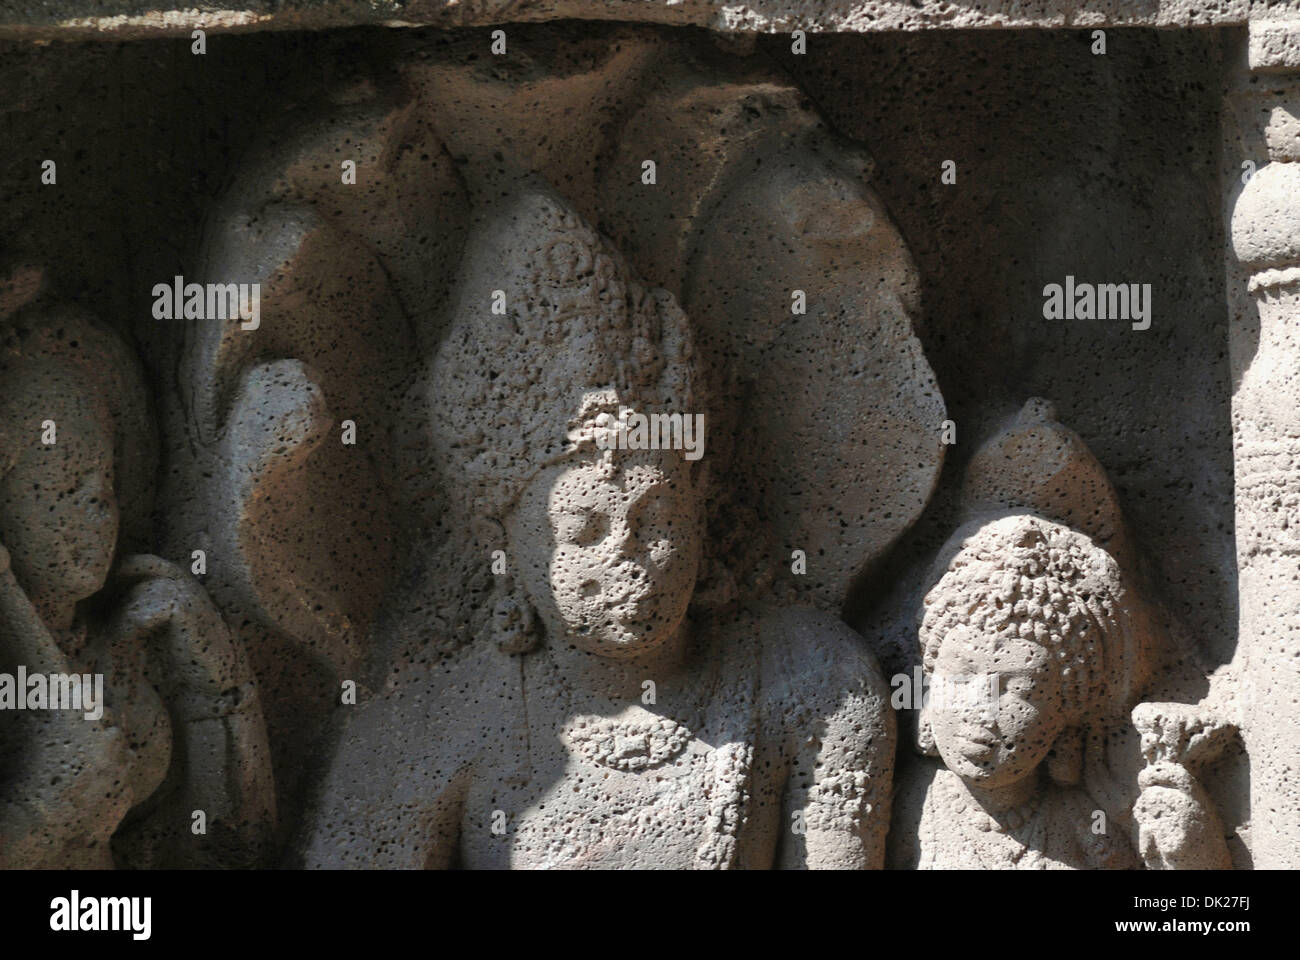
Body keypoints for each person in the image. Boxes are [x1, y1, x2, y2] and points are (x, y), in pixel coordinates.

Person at [303, 189, 896, 869]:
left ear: (701, 515)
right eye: (582, 529)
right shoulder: (423, 735)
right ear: (505, 547)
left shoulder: (814, 684)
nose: (629, 559)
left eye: (659, 520)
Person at [0, 306, 274, 867]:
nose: (95, 508)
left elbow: (237, 851)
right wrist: (38, 817)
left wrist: (216, 692)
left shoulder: (119, 645)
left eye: (102, 482)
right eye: (60, 485)